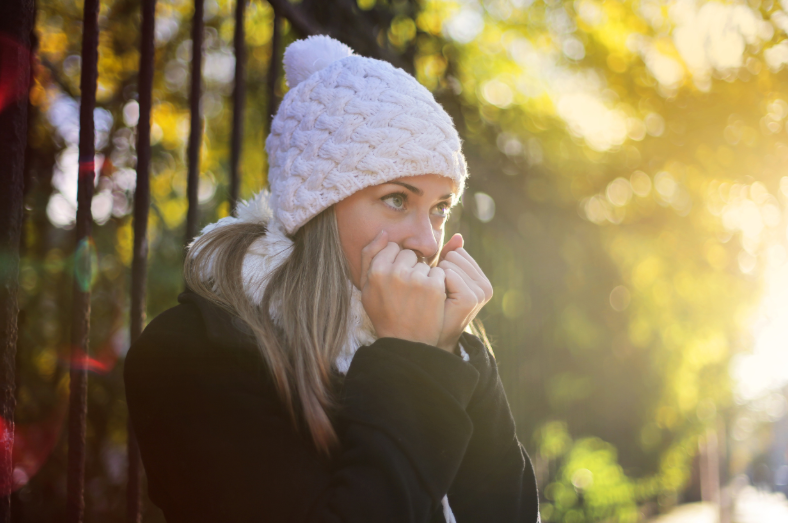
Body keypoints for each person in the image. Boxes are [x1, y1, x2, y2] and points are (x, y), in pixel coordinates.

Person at [124, 35, 540, 523]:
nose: (428, 243)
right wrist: (412, 363)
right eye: (397, 199)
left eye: (439, 208)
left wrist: (457, 360)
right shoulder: (193, 352)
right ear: (318, 207)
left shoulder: (436, 338)